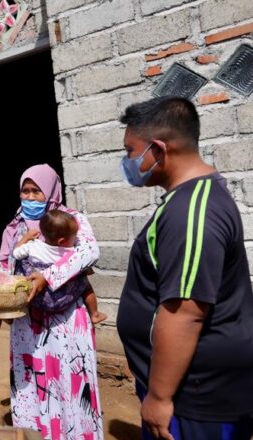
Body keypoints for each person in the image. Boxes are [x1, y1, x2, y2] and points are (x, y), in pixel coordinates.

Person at [116, 96, 253, 440]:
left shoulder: (191, 211)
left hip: (194, 398)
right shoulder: (188, 201)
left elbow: (184, 312)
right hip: (189, 390)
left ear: (159, 150)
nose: (128, 161)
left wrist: (159, 396)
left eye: (131, 152)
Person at [0, 164, 103, 439]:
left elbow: (90, 252)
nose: (31, 197)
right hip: (28, 321)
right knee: (32, 381)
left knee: (69, 381)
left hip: (66, 318)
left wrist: (48, 276)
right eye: (26, 190)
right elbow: (10, 268)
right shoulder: (15, 225)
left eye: (37, 191)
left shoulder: (70, 218)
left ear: (51, 190)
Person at [13, 209, 107, 324]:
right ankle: (94, 314)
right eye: (74, 237)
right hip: (65, 301)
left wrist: (25, 238)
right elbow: (85, 257)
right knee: (85, 284)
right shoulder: (72, 253)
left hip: (38, 300)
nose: (76, 239)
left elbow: (16, 253)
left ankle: (14, 311)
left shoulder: (33, 246)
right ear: (61, 241)